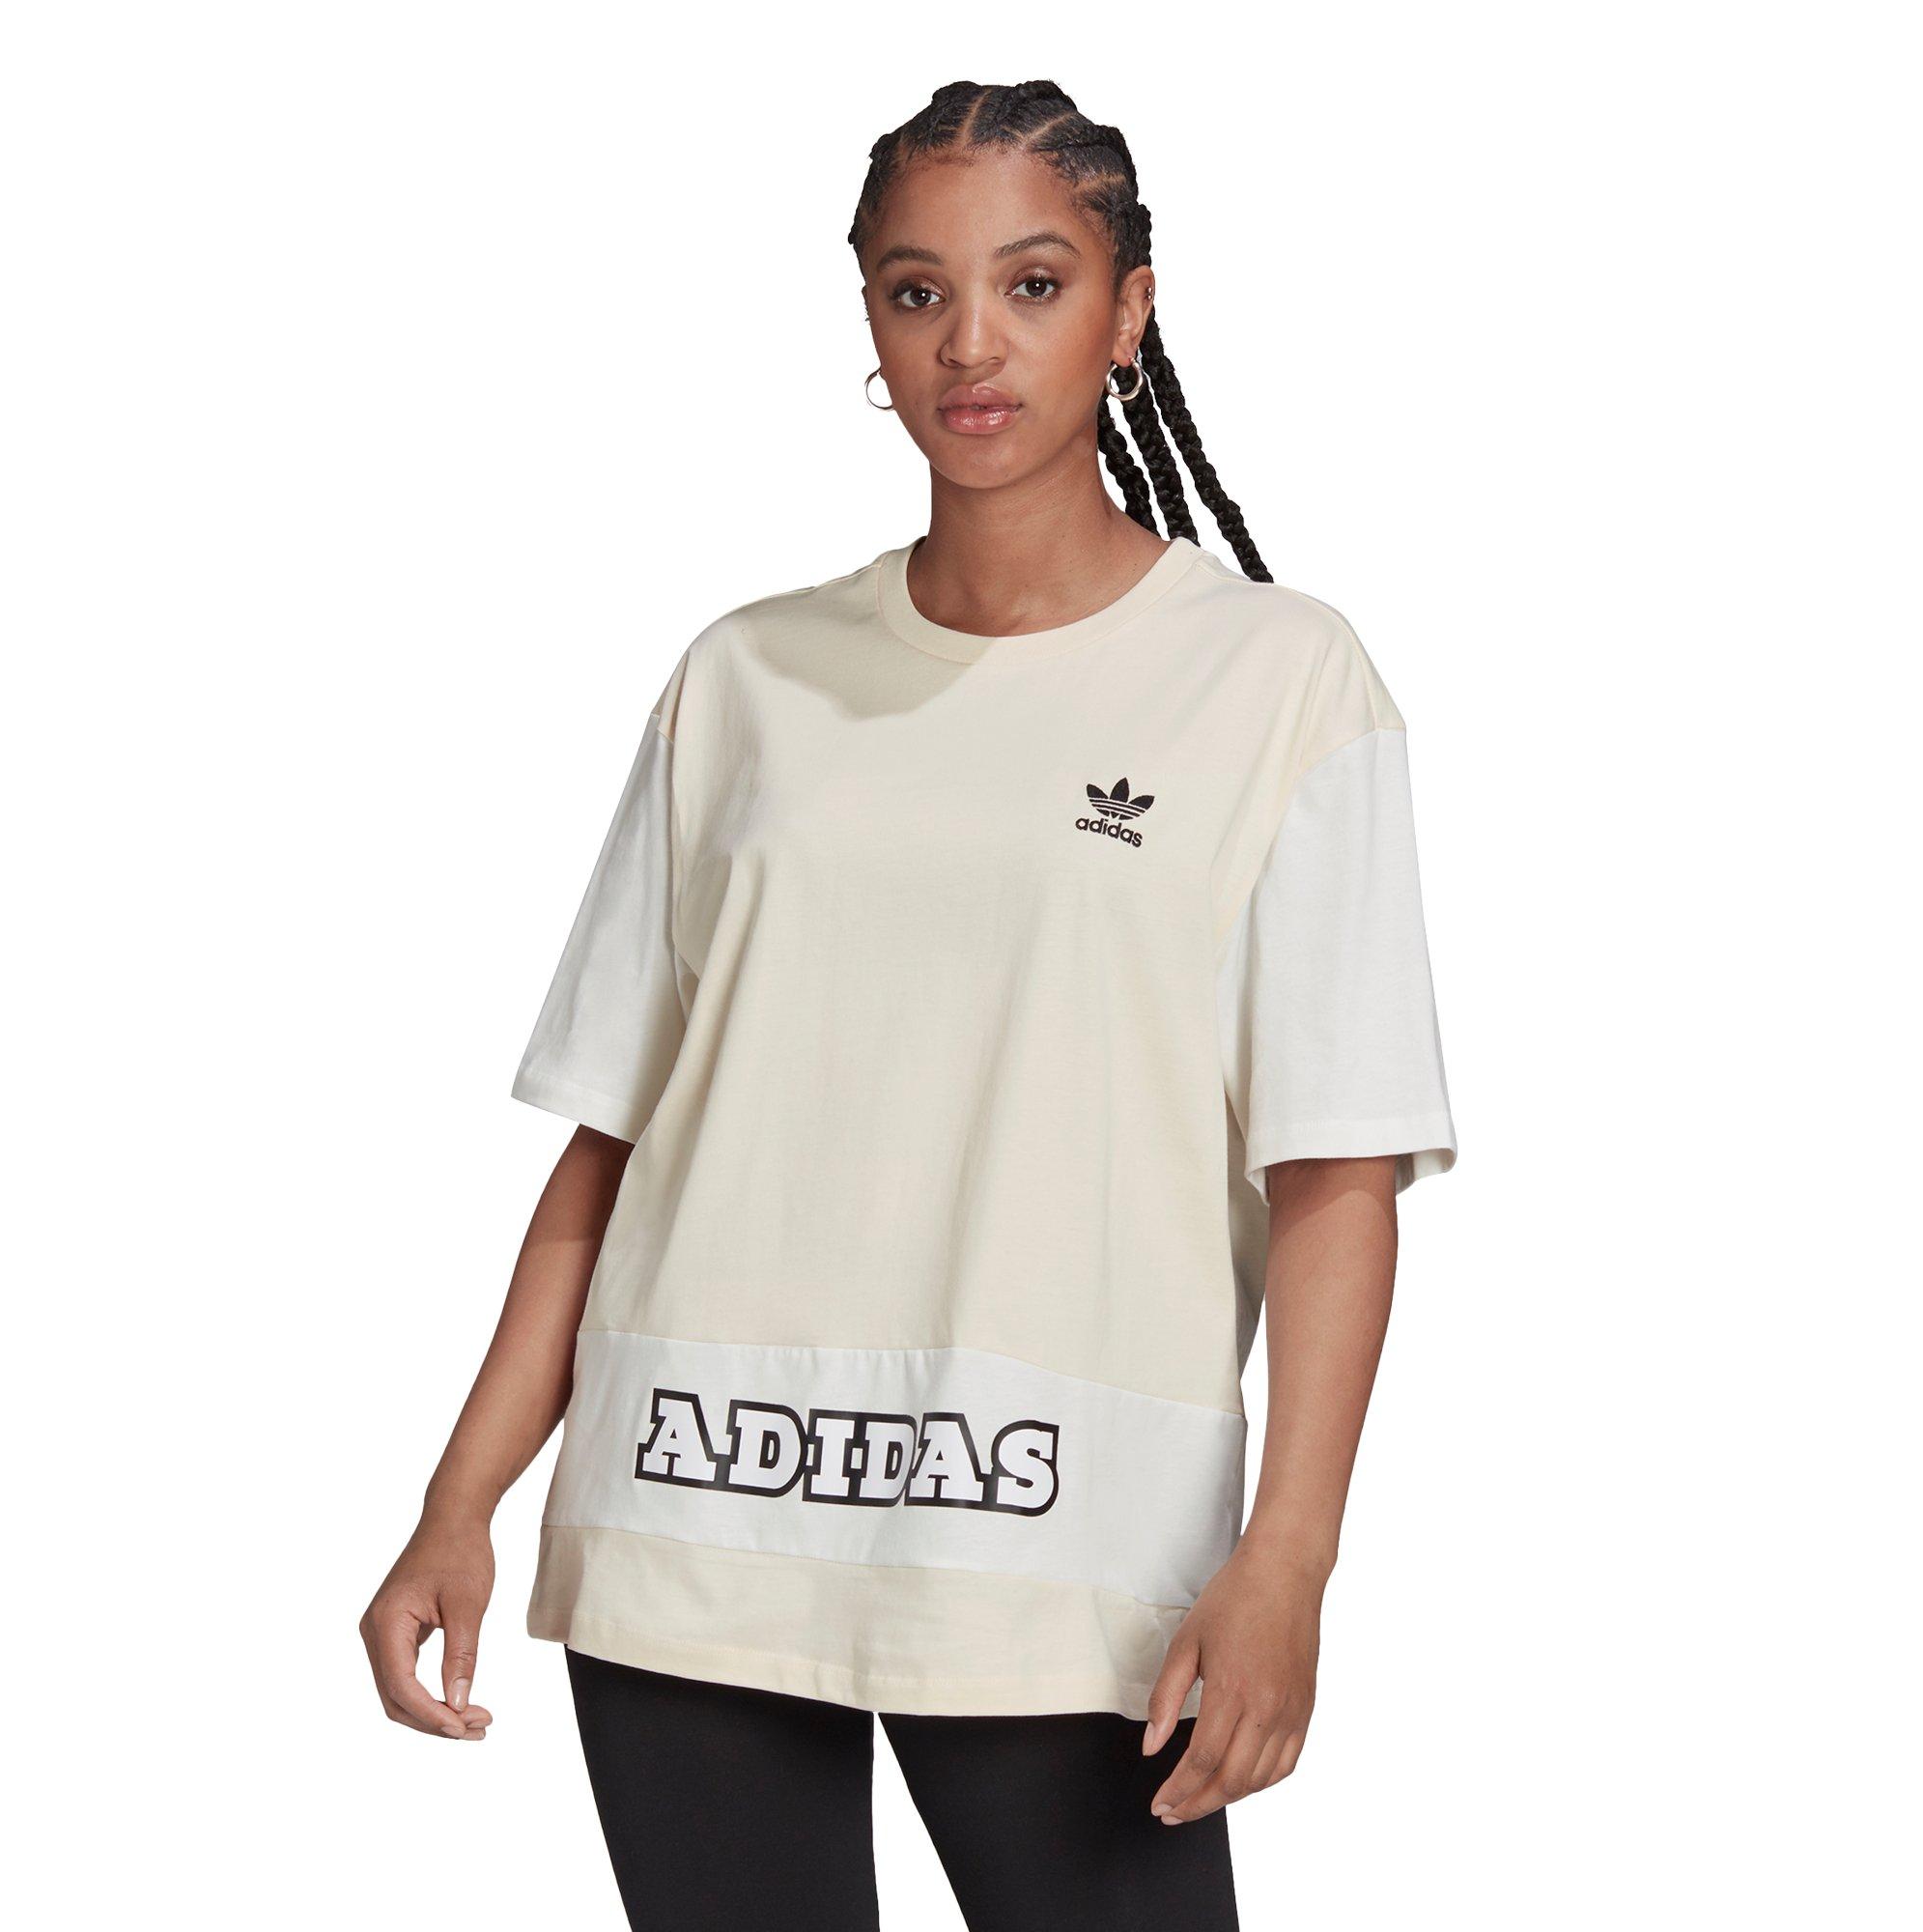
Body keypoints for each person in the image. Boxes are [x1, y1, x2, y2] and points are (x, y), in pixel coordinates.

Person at [360, 77, 1456, 1931]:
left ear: (1130, 309)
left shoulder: (1278, 682)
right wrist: (456, 1498)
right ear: (867, 319)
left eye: (1034, 284)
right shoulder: (748, 677)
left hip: (1066, 1551)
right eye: (915, 291)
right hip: (692, 1516)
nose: (970, 345)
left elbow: (1337, 1169)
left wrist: (1293, 1560)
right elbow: (617, 1141)